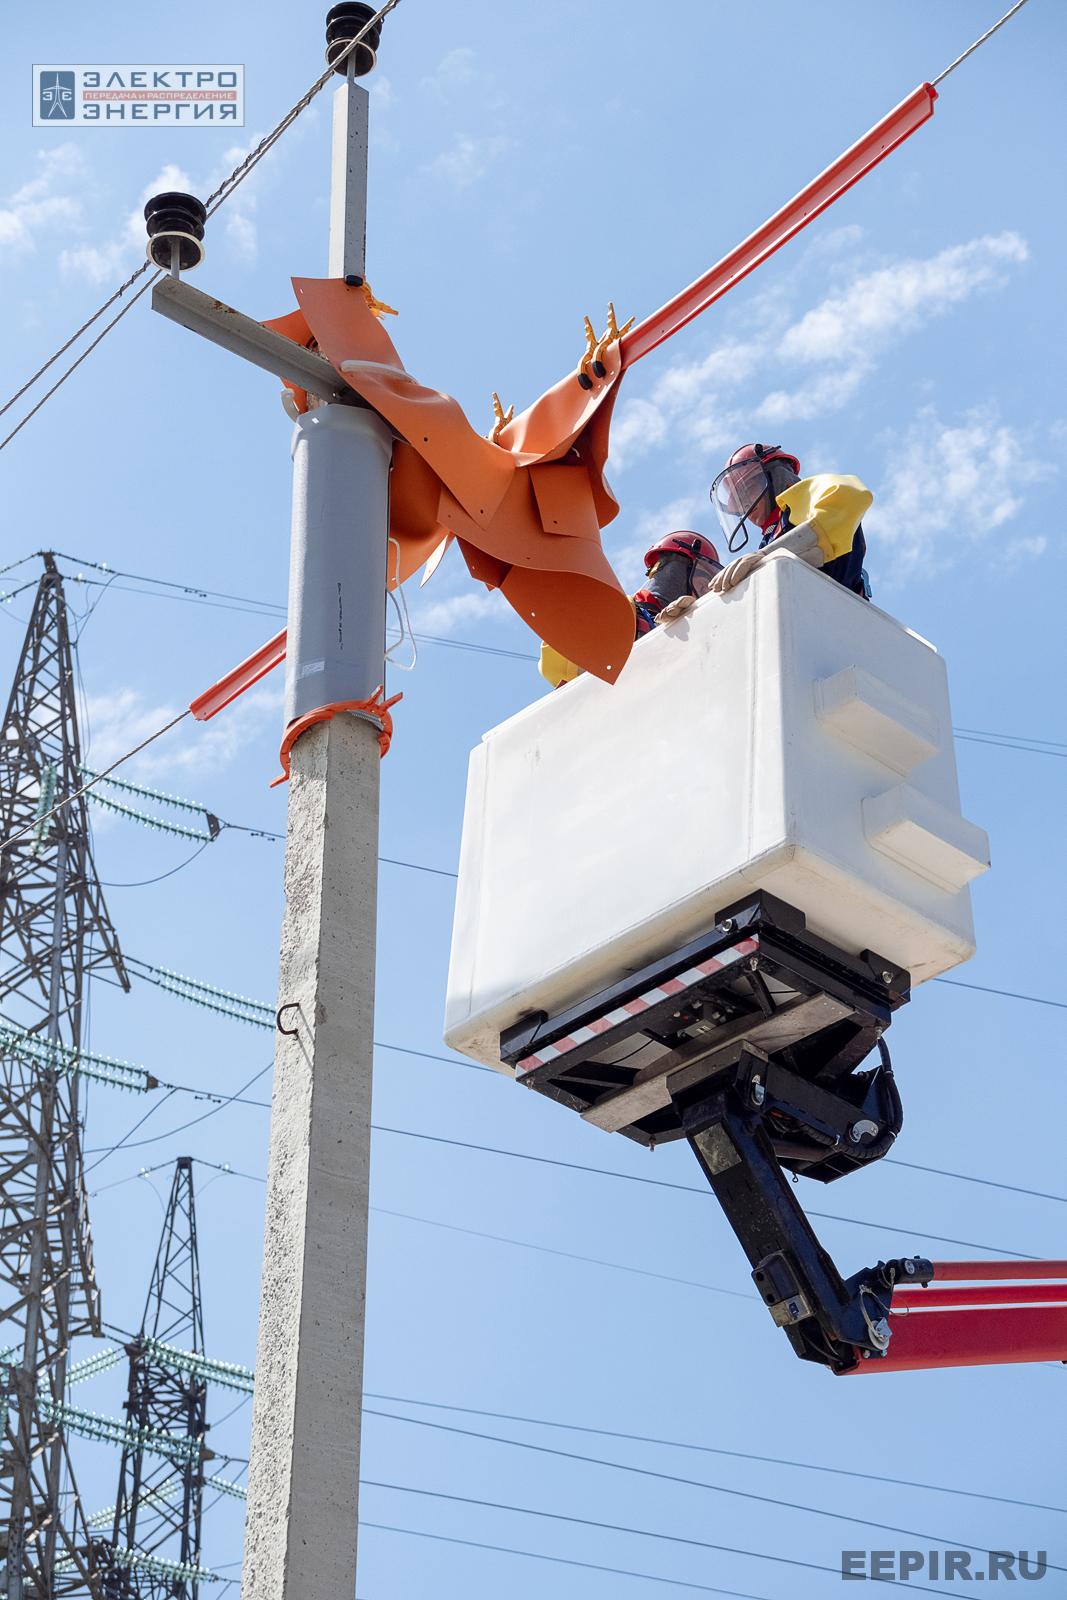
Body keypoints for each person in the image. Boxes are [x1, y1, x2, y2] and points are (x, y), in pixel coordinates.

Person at [538, 531, 722, 686]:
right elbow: (558, 663)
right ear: (679, 568)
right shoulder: (615, 611)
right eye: (705, 578)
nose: (707, 589)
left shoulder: (686, 627)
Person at [708, 443, 873, 597]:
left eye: (748, 489)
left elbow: (850, 496)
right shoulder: (768, 542)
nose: (745, 505)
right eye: (740, 503)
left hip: (842, 610)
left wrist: (768, 556)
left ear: (777, 476)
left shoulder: (810, 498)